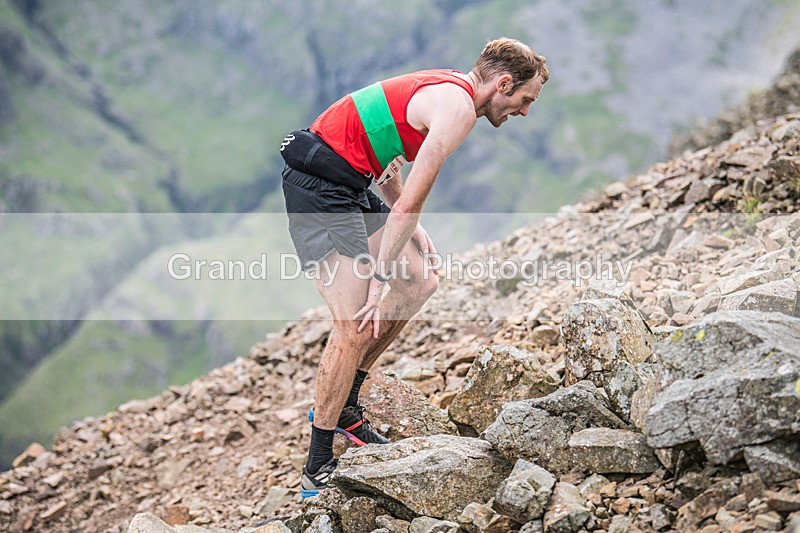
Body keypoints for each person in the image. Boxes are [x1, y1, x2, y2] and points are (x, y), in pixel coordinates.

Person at [279, 37, 549, 498]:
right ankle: (317, 463)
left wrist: (394, 211)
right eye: (525, 100)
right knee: (354, 324)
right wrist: (379, 276)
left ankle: (345, 406)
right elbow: (411, 205)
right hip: (320, 187)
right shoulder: (459, 110)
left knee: (420, 279)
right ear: (503, 83)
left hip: (350, 179)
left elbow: (383, 143)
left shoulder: (448, 89)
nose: (524, 111)